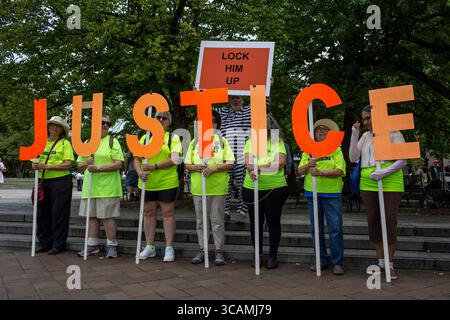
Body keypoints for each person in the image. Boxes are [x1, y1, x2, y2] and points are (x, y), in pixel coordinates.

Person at [349, 105, 407, 280]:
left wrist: (384, 172)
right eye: (364, 118)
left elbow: (403, 159)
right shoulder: (366, 136)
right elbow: (353, 157)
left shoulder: (394, 133)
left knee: (388, 220)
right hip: (368, 183)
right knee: (373, 221)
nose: (366, 122)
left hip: (390, 182)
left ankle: (390, 264)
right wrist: (354, 134)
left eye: (368, 118)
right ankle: (381, 262)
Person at [185, 110, 235, 266]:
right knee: (201, 221)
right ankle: (203, 249)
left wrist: (214, 168)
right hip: (199, 188)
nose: (211, 123)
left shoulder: (222, 141)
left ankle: (219, 251)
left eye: (213, 120)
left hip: (217, 188)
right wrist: (196, 167)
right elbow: (186, 163)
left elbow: (230, 162)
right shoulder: (194, 142)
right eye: (207, 121)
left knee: (217, 221)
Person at [297, 119, 346, 275]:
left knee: (335, 229)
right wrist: (308, 164)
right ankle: (321, 260)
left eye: (325, 130)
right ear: (315, 133)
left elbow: (340, 170)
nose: (322, 132)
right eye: (319, 129)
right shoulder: (308, 149)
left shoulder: (336, 150)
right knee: (316, 229)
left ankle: (337, 262)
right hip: (313, 193)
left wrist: (322, 173)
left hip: (332, 194)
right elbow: (300, 171)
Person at [242, 115, 288, 269]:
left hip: (275, 188)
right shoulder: (250, 142)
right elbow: (248, 162)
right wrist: (254, 168)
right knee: (256, 223)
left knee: (273, 222)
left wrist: (260, 167)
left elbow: (280, 162)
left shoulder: (278, 142)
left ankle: (273, 255)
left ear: (270, 126)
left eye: (265, 126)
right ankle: (258, 254)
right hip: (251, 188)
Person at [136, 111, 182, 262]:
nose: (161, 120)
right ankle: (150, 247)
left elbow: (175, 159)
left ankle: (169, 247)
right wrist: (139, 172)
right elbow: (137, 159)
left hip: (166, 180)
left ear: (169, 121)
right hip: (147, 181)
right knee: (148, 212)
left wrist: (154, 166)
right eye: (158, 117)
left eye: (164, 118)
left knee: (167, 213)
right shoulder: (145, 138)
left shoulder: (172, 138)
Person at [77, 115, 124, 259]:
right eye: (102, 122)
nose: (105, 125)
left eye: (107, 123)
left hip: (108, 187)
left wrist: (98, 168)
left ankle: (112, 245)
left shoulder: (112, 141)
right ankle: (92, 245)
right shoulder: (87, 142)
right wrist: (86, 163)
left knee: (108, 217)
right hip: (90, 187)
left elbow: (118, 164)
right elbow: (79, 166)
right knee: (92, 217)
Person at [32, 116, 74, 255]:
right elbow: (34, 160)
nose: (54, 128)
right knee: (42, 213)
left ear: (62, 129)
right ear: (48, 127)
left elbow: (68, 163)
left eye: (58, 126)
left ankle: (58, 244)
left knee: (59, 213)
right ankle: (44, 243)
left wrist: (47, 166)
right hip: (43, 182)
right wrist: (35, 165)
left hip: (61, 182)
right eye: (52, 125)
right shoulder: (40, 143)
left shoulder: (65, 143)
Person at [218, 95, 251, 223]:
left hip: (243, 154)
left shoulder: (249, 111)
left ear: (242, 97)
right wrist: (198, 92)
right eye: (232, 98)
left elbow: (263, 104)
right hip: (226, 155)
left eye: (237, 97)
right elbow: (205, 106)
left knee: (243, 183)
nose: (235, 100)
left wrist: (268, 86)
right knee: (226, 183)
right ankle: (225, 211)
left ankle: (242, 211)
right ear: (228, 99)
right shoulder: (223, 112)